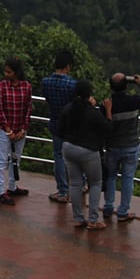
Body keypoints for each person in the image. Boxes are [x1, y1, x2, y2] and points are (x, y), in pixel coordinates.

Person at [53, 79, 113, 229]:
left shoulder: (68, 109)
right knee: (95, 183)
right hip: (88, 151)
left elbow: (59, 131)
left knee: (75, 183)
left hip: (68, 148)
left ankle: (78, 218)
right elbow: (108, 128)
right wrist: (108, 111)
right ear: (89, 95)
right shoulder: (92, 112)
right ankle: (93, 220)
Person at [102, 72, 140, 222]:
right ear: (126, 85)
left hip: (112, 147)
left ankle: (108, 207)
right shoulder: (134, 101)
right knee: (127, 178)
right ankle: (123, 211)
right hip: (131, 146)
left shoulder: (107, 105)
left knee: (111, 176)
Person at [0, 57, 32, 204]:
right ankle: (0, 191)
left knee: (16, 159)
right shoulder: (1, 86)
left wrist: (23, 128)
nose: (6, 74)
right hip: (5, 129)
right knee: (2, 159)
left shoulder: (26, 86)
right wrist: (8, 129)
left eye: (9, 72)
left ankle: (12, 186)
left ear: (16, 73)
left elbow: (28, 109)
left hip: (19, 129)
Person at [41, 51, 77, 203]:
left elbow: (48, 100)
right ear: (68, 66)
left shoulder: (45, 82)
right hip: (72, 125)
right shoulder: (72, 84)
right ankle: (79, 185)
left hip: (56, 123)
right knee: (75, 158)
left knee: (59, 156)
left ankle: (62, 191)